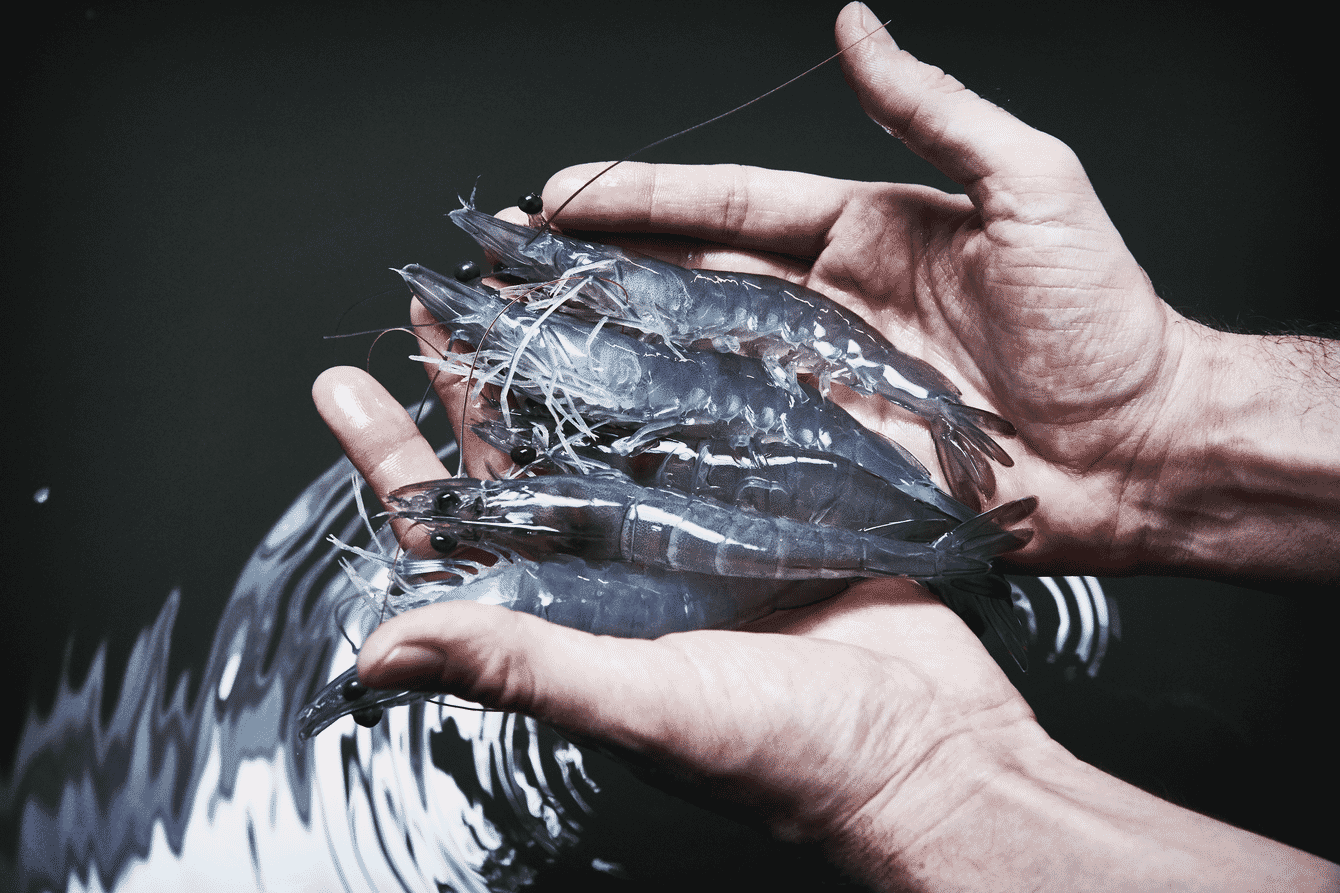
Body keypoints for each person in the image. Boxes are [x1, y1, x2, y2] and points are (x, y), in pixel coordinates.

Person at [311, 3, 1340, 889]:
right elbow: (671, 404)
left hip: (799, 423)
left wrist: (1162, 415)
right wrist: (1169, 420)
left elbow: (694, 379)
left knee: (667, 435)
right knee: (658, 444)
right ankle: (936, 546)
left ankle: (936, 538)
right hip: (723, 474)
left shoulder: (712, 342)